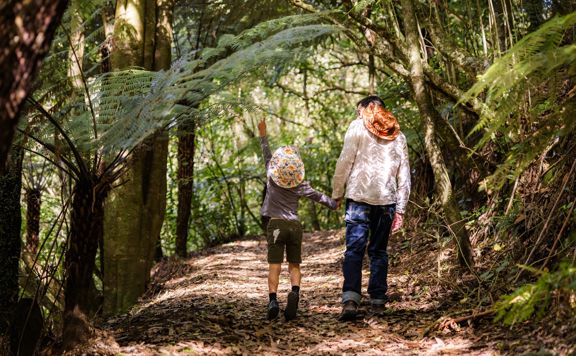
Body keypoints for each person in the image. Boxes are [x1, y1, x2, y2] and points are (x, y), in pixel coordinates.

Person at [331, 95, 411, 321]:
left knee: (354, 249)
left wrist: (337, 192)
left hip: (358, 197)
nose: (359, 115)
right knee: (378, 251)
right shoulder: (398, 135)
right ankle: (377, 301)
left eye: (360, 110)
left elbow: (345, 160)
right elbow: (404, 174)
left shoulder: (357, 127)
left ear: (370, 108)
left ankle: (350, 300)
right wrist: (401, 208)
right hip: (386, 200)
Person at [258, 119, 337, 321]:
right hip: (294, 226)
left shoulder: (271, 174)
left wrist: (263, 134)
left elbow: (267, 154)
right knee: (294, 264)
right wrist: (335, 203)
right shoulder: (301, 185)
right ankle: (295, 292)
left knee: (274, 265)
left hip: (275, 225)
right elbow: (319, 197)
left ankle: (273, 300)